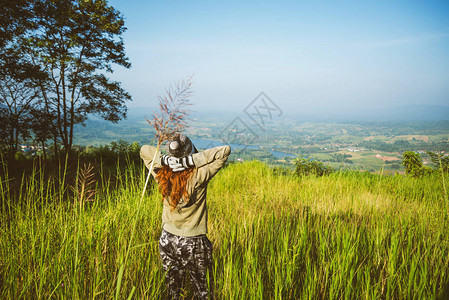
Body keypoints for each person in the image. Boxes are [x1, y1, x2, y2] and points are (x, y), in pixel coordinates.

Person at [140, 134, 231, 299]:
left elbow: (144, 151)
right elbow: (224, 151)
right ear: (190, 154)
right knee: (203, 291)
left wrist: (166, 161)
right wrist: (189, 162)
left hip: (167, 239)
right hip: (194, 241)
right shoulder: (199, 175)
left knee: (174, 291)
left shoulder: (160, 174)